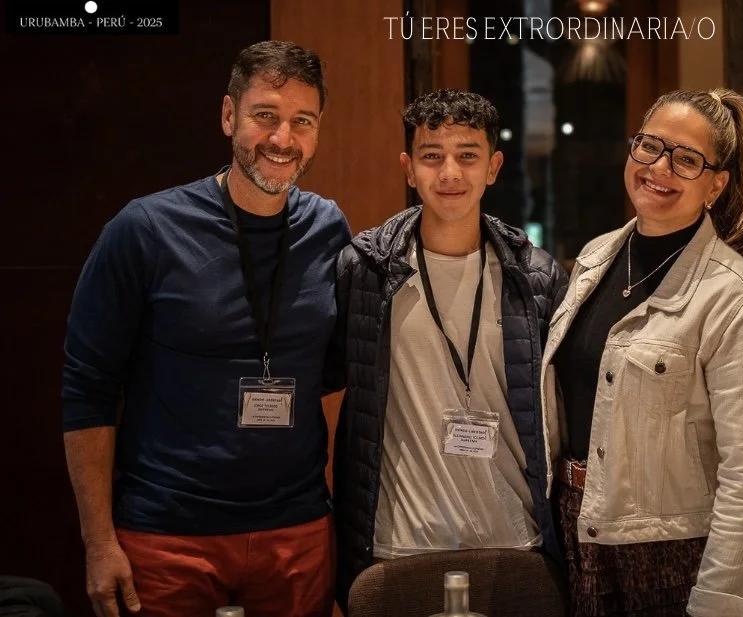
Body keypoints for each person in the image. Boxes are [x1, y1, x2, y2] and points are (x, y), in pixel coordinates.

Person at [61, 41, 349, 617]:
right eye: (265, 115)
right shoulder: (145, 229)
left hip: (295, 532)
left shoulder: (328, 228)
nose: (282, 139)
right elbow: (86, 390)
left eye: (302, 121)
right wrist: (99, 543)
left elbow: (338, 375)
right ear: (228, 116)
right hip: (168, 538)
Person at [542, 88, 743, 617]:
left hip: (679, 550)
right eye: (650, 146)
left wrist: (721, 600)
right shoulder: (594, 257)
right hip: (579, 527)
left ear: (716, 185)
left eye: (687, 159)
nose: (660, 167)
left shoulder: (737, 297)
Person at [330, 89, 569, 611]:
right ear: (409, 169)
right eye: (432, 156)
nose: (450, 173)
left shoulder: (535, 278)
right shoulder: (366, 271)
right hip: (398, 545)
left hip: (515, 541)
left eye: (467, 154)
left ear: (493, 166)